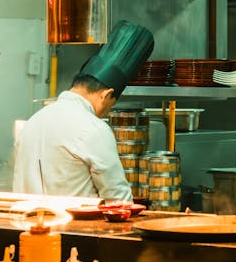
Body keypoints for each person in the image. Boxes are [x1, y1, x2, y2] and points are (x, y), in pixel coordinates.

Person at [13, 20, 153, 201]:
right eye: (111, 104)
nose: (108, 112)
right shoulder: (94, 129)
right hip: (75, 228)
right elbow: (119, 199)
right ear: (106, 94)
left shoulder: (32, 122)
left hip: (29, 225)